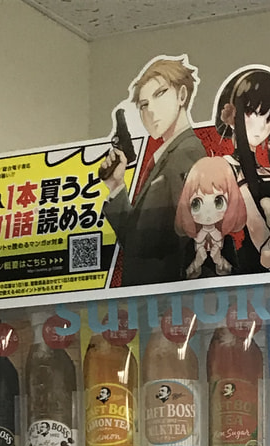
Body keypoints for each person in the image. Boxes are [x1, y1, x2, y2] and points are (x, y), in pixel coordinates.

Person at [101, 56, 206, 286]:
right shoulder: (168, 157)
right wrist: (116, 185)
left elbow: (157, 245)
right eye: (143, 105)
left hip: (164, 297)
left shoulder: (186, 155)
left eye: (160, 94)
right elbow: (139, 240)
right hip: (153, 296)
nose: (151, 111)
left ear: (181, 95)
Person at [213, 67, 270, 259]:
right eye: (254, 112)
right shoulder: (226, 167)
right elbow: (255, 227)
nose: (264, 124)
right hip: (257, 261)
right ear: (231, 115)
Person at [175, 157, 246, 278]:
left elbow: (238, 276)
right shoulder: (189, 243)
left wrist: (220, 261)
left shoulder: (229, 241)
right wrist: (196, 263)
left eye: (218, 202)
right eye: (196, 203)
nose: (208, 212)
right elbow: (181, 279)